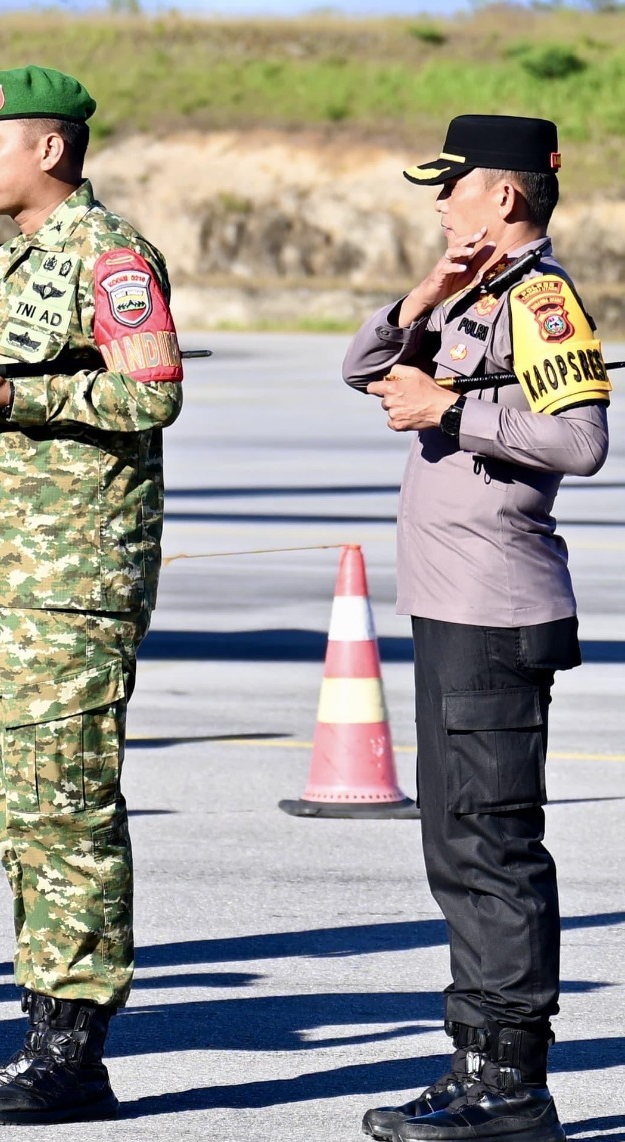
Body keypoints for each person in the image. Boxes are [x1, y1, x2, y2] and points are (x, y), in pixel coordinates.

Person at [0, 66, 184, 1125]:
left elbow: (152, 388)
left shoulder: (108, 255)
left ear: (50, 150)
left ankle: (75, 1052)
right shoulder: (20, 255)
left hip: (71, 584)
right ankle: (43, 1037)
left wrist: (18, 392)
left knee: (65, 811)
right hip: (7, 587)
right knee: (24, 812)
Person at [343, 116, 605, 1142]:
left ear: (502, 195)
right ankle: (477, 1061)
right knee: (455, 843)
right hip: (453, 608)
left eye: (450, 187)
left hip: (496, 612)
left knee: (490, 845)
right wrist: (422, 299)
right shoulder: (472, 295)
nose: (438, 202)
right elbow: (363, 368)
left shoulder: (540, 300)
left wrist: (447, 410)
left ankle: (512, 1081)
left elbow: (579, 438)